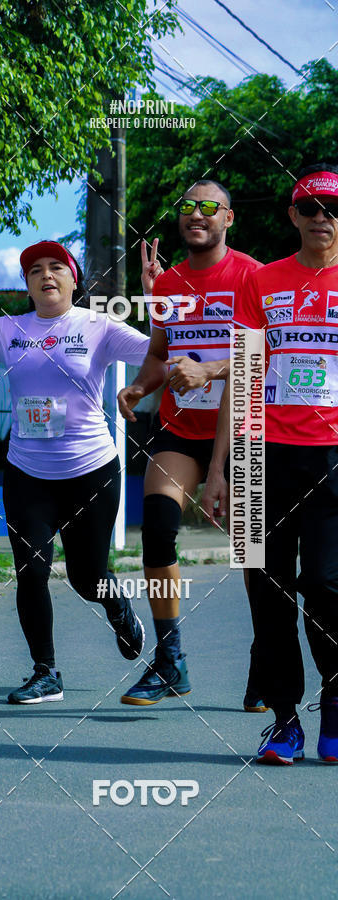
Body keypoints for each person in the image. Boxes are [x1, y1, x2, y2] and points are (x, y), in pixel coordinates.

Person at [0, 224, 149, 703]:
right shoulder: (7, 330)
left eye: (56, 267)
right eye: (35, 270)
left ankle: (118, 608)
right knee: (32, 571)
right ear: (27, 284)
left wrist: (157, 301)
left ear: (73, 279)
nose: (46, 275)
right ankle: (46, 672)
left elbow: (157, 351)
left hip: (91, 471)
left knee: (88, 578)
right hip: (28, 475)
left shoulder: (98, 327)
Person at [203, 163, 338, 764]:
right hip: (261, 458)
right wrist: (219, 469)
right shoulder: (262, 281)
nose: (322, 218)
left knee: (327, 587)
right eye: (310, 207)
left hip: (331, 457)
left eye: (332, 209)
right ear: (293, 215)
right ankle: (285, 721)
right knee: (267, 589)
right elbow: (244, 370)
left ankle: (335, 703)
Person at [116, 180, 263, 708]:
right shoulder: (169, 284)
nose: (196, 215)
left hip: (244, 429)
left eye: (208, 207)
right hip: (180, 431)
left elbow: (261, 354)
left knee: (253, 552)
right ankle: (170, 659)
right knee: (157, 532)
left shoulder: (253, 276)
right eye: (187, 207)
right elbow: (160, 354)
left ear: (228, 218)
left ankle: (267, 657)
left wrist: (209, 370)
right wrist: (140, 385)